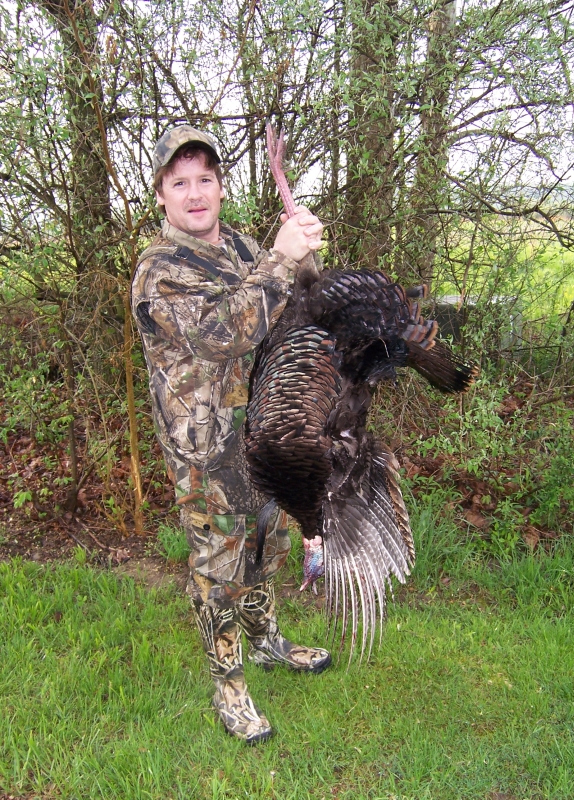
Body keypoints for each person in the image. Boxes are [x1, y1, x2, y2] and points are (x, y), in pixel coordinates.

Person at [131, 124, 330, 744]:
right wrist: (281, 257)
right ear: (161, 195)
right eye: (180, 182)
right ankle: (229, 683)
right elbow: (224, 332)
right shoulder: (157, 272)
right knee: (218, 565)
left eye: (206, 180)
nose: (195, 194)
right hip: (204, 450)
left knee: (265, 544)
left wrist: (306, 241)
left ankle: (268, 641)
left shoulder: (245, 250)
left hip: (263, 436)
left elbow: (307, 295)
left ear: (221, 187)